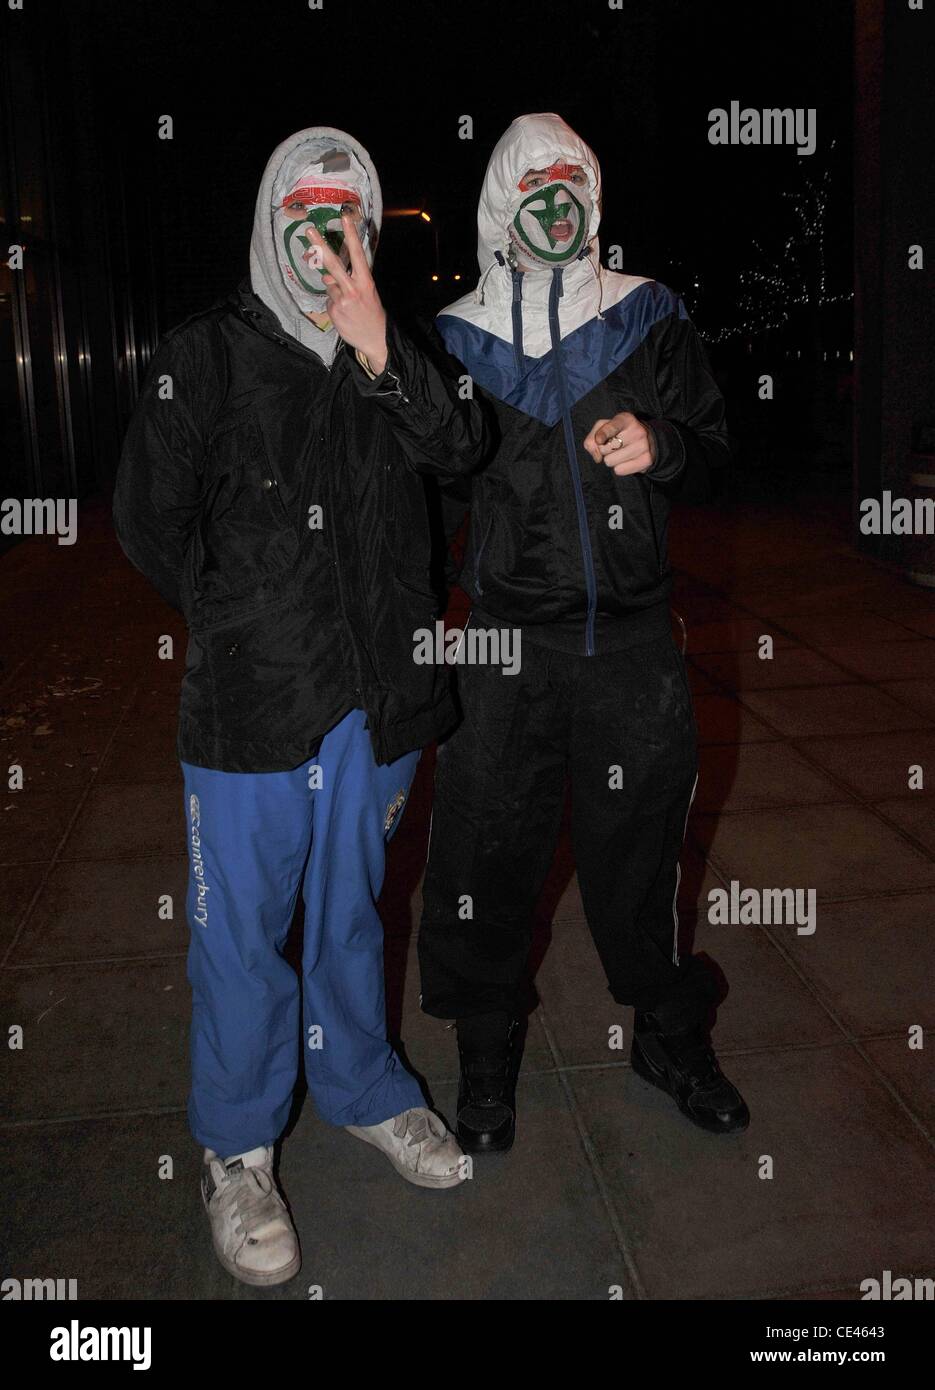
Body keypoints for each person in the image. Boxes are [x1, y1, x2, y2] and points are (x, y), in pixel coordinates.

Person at [113, 126, 490, 1286]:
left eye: (346, 214)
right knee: (240, 939)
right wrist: (242, 618)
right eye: (306, 209)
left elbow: (464, 447)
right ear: (272, 217)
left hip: (373, 705)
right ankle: (235, 1147)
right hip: (251, 713)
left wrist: (382, 347)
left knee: (352, 913)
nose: (324, 235)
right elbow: (145, 525)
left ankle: (365, 1090)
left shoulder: (396, 348)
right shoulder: (202, 358)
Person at [418, 112, 749, 1155]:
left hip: (632, 643)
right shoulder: (453, 334)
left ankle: (664, 1032)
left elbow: (714, 450)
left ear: (593, 193)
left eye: (572, 175)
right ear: (501, 197)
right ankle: (483, 1050)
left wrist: (664, 445)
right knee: (482, 850)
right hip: (503, 648)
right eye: (533, 177)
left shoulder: (646, 314)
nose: (554, 192)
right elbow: (423, 498)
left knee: (639, 850)